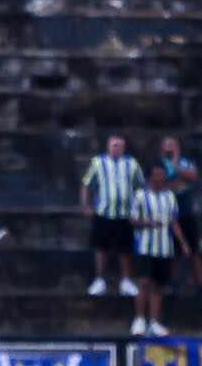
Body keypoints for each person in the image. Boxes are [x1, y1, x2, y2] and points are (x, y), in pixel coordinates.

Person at [129, 164, 190, 337]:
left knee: (158, 286)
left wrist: (183, 242)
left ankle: (154, 322)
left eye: (162, 175)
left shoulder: (170, 197)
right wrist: (148, 223)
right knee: (144, 283)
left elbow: (174, 221)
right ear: (150, 176)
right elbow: (132, 220)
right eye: (156, 174)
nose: (159, 178)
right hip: (144, 246)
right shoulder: (140, 196)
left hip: (165, 248)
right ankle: (139, 319)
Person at [80, 135, 143, 297]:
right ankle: (100, 280)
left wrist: (140, 209)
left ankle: (126, 281)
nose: (116, 148)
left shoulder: (132, 163)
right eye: (114, 145)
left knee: (126, 249)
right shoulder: (98, 163)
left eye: (119, 145)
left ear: (124, 147)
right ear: (108, 146)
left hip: (125, 214)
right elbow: (86, 184)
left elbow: (141, 186)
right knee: (101, 248)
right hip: (103, 212)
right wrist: (86, 205)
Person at [162, 136, 202, 296]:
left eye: (172, 145)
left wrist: (175, 164)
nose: (170, 148)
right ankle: (172, 283)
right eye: (167, 145)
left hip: (186, 212)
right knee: (171, 251)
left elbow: (192, 176)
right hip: (167, 213)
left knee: (194, 250)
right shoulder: (159, 164)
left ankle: (200, 284)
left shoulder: (185, 162)